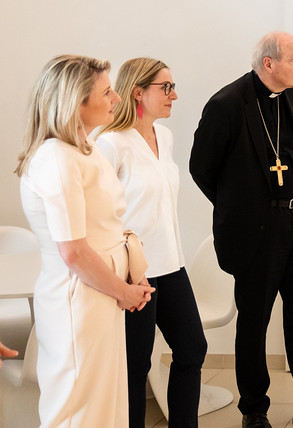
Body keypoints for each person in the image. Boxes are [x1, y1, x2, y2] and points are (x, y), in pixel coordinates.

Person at [189, 32, 293, 428]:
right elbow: (201, 168)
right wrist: (240, 209)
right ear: (269, 63)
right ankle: (254, 410)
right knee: (254, 324)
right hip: (257, 232)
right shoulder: (226, 105)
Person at [15, 55, 155, 428]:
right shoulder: (57, 159)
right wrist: (124, 292)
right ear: (76, 102)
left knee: (104, 405)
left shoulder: (84, 148)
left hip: (99, 293)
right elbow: (74, 252)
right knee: (79, 411)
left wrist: (131, 275)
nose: (117, 98)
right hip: (79, 299)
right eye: (107, 92)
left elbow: (106, 228)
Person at [96, 58, 207, 428]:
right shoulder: (110, 144)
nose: (174, 95)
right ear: (137, 92)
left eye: (173, 87)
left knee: (192, 349)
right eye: (166, 87)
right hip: (132, 272)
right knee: (135, 367)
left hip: (170, 265)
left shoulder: (165, 137)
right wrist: (122, 276)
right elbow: (98, 215)